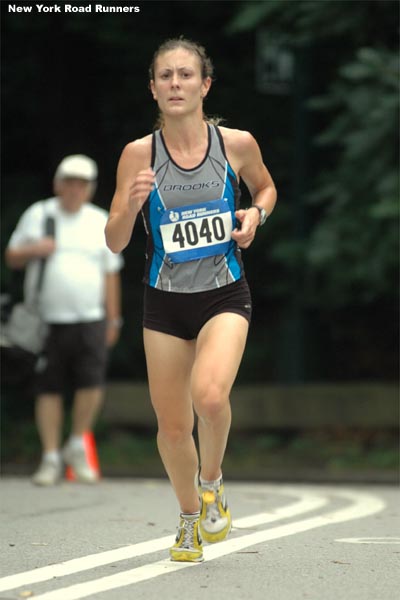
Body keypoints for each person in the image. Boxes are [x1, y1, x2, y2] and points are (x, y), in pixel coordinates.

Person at [105, 38, 277, 563]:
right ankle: (187, 521)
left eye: (185, 75)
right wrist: (129, 207)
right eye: (165, 76)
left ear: (204, 85)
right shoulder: (139, 154)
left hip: (224, 292)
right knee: (174, 426)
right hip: (164, 301)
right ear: (153, 89)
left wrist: (254, 217)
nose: (175, 84)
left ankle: (213, 482)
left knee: (209, 397)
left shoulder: (236, 144)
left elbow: (266, 190)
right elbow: (114, 241)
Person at [5, 154, 124, 486]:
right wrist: (35, 250)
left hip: (90, 317)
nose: (74, 189)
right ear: (57, 184)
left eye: (81, 184)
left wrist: (114, 320)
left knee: (91, 383)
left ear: (90, 189)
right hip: (47, 319)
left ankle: (76, 442)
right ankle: (50, 456)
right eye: (68, 182)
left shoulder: (101, 219)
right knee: (49, 388)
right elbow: (12, 256)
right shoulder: (39, 215)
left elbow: (111, 273)